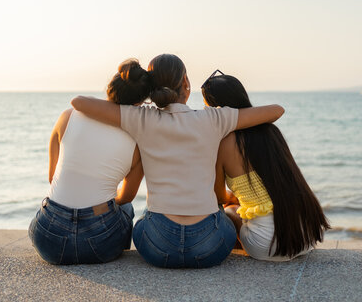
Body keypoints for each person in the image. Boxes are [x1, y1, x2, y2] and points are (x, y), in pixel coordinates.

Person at [71, 54, 285, 268]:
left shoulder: (141, 118)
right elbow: (276, 110)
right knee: (223, 212)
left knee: (143, 219)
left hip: (158, 247)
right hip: (210, 248)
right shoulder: (215, 119)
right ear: (185, 82)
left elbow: (78, 102)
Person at [29, 59, 151, 265]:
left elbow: (52, 178)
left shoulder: (68, 116)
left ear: (111, 88)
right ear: (140, 103)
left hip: (49, 239)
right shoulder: (139, 139)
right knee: (127, 209)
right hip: (100, 244)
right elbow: (126, 197)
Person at [201, 73, 330, 261]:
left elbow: (218, 196)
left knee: (229, 210)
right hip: (305, 239)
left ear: (216, 109)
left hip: (266, 246)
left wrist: (233, 198)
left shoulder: (224, 142)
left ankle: (241, 244)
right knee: (249, 207)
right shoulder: (272, 131)